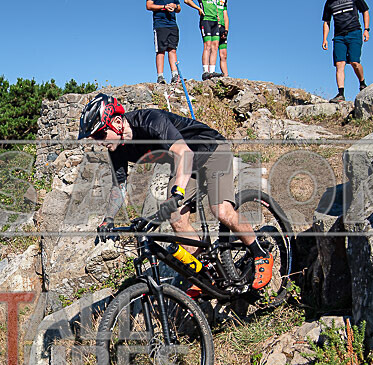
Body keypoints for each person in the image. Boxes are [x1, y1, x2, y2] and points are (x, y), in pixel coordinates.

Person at [77, 93, 274, 290]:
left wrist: (178, 193)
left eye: (101, 135)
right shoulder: (117, 148)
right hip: (186, 165)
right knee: (176, 217)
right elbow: (119, 186)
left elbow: (184, 153)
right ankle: (204, 274)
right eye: (94, 138)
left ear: (117, 122)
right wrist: (108, 219)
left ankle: (260, 253)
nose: (99, 142)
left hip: (211, 150)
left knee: (221, 210)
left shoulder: (150, 122)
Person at [322, 0, 370, 103]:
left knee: (354, 62)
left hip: (354, 33)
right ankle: (341, 94)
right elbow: (326, 21)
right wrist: (325, 39)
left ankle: (362, 83)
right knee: (339, 64)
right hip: (339, 37)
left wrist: (366, 29)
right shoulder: (329, 2)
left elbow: (365, 10)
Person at [147, 0, 203, 84]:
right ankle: (160, 76)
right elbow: (149, 6)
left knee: (172, 50)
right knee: (160, 50)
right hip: (160, 25)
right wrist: (164, 7)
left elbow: (179, 8)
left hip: (172, 24)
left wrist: (174, 6)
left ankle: (175, 75)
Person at [198, 0, 223, 80]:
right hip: (205, 20)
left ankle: (212, 71)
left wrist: (217, 14)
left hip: (215, 21)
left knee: (215, 46)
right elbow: (187, 1)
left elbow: (215, 6)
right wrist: (198, 8)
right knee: (207, 45)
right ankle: (205, 71)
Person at [217, 0, 229, 77]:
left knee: (224, 54)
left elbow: (225, 15)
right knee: (212, 49)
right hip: (213, 25)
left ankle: (226, 75)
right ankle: (210, 72)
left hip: (223, 27)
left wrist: (226, 30)